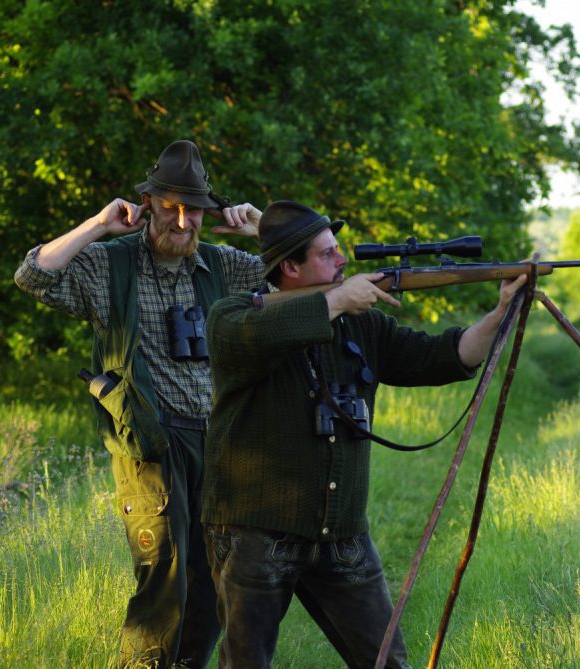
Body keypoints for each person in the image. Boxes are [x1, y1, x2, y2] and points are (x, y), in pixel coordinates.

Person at [201, 200, 528, 668]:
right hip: (255, 533)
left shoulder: (361, 323)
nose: (342, 262)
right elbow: (258, 334)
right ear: (290, 266)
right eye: (327, 254)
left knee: (387, 663)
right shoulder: (233, 317)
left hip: (342, 533)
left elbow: (444, 355)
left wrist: (500, 312)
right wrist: (338, 299)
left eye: (338, 251)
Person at [14, 140, 266, 668]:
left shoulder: (223, 268)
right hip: (149, 445)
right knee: (164, 583)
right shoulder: (113, 267)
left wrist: (264, 227)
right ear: (146, 205)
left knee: (217, 585)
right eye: (170, 205)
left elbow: (321, 273)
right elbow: (33, 275)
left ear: (206, 211)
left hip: (216, 444)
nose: (181, 220)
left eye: (192, 208)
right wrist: (98, 224)